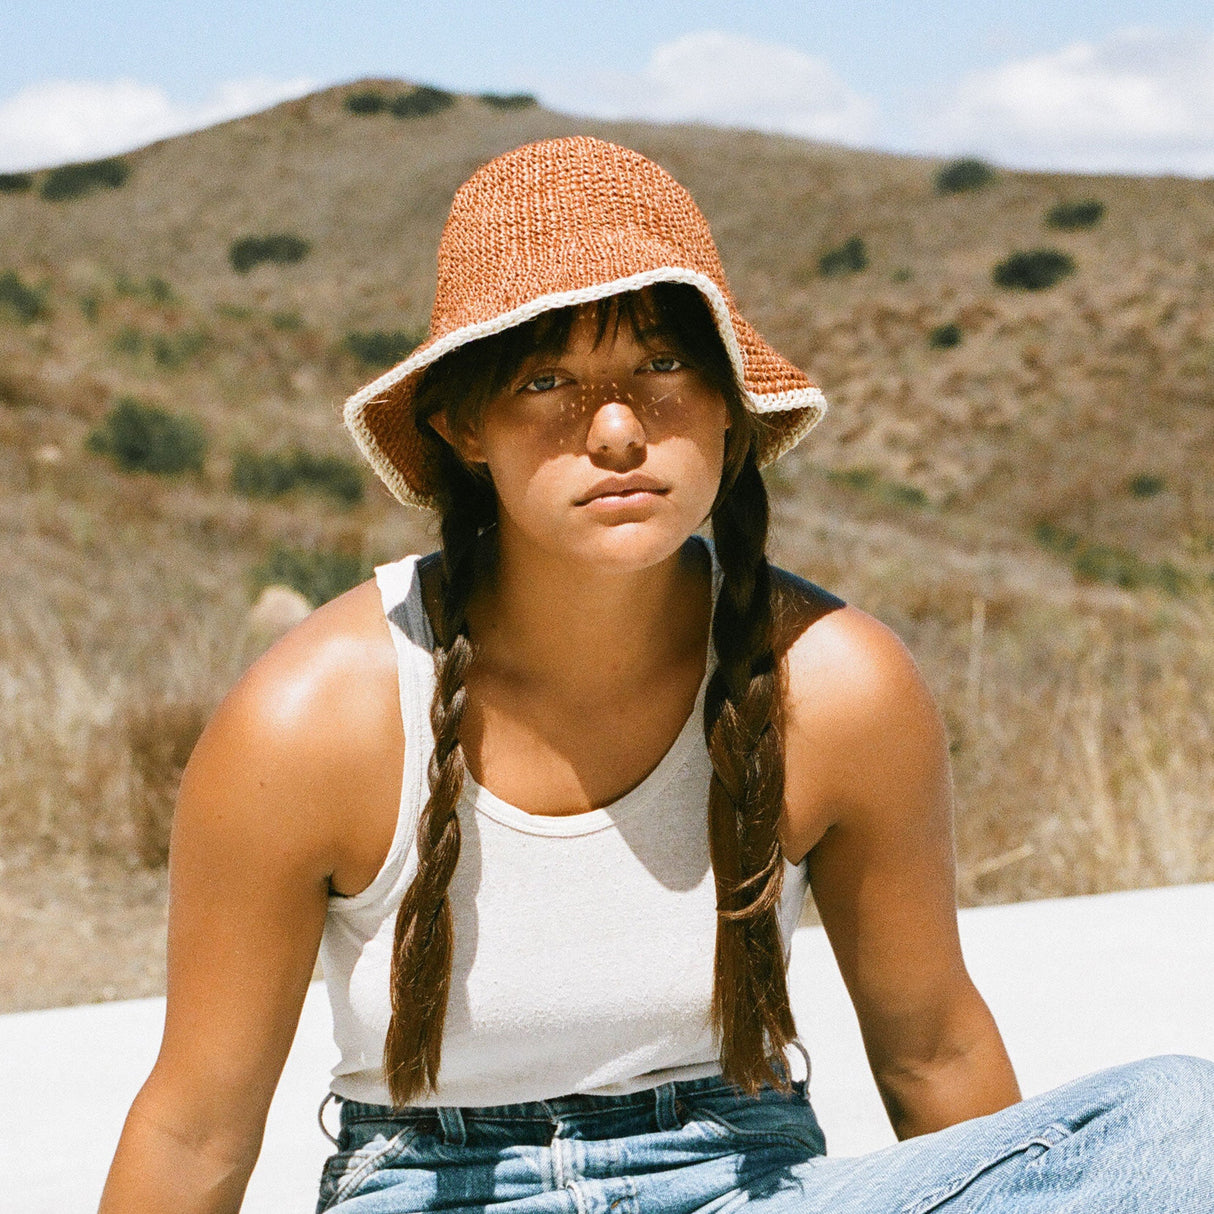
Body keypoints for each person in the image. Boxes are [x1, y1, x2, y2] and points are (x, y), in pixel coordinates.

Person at [100, 136, 1213, 1214]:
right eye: (545, 378)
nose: (620, 429)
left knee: (1180, 1120)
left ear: (729, 403)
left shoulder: (833, 685)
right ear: (460, 423)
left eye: (663, 364)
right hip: (434, 1189)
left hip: (743, 1178)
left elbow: (932, 1051)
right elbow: (196, 1126)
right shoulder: (316, 717)